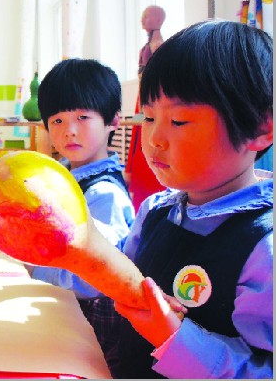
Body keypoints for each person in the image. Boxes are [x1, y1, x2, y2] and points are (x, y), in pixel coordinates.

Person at [78, 21, 272, 378]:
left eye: (179, 121)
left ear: (260, 128)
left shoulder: (263, 247)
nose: (154, 139)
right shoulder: (156, 210)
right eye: (150, 117)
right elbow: (115, 280)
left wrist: (175, 337)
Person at [25, 58, 135, 361]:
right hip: (66, 311)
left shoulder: (104, 195)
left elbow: (94, 278)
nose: (69, 131)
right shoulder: (64, 174)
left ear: (113, 121)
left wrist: (35, 269)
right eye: (57, 121)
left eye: (83, 117)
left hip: (94, 331)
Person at [125, 5, 167, 210]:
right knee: (137, 134)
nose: (142, 20)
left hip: (149, 97)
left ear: (158, 20)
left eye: (146, 17)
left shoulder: (158, 44)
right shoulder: (149, 43)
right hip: (142, 96)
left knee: (143, 135)